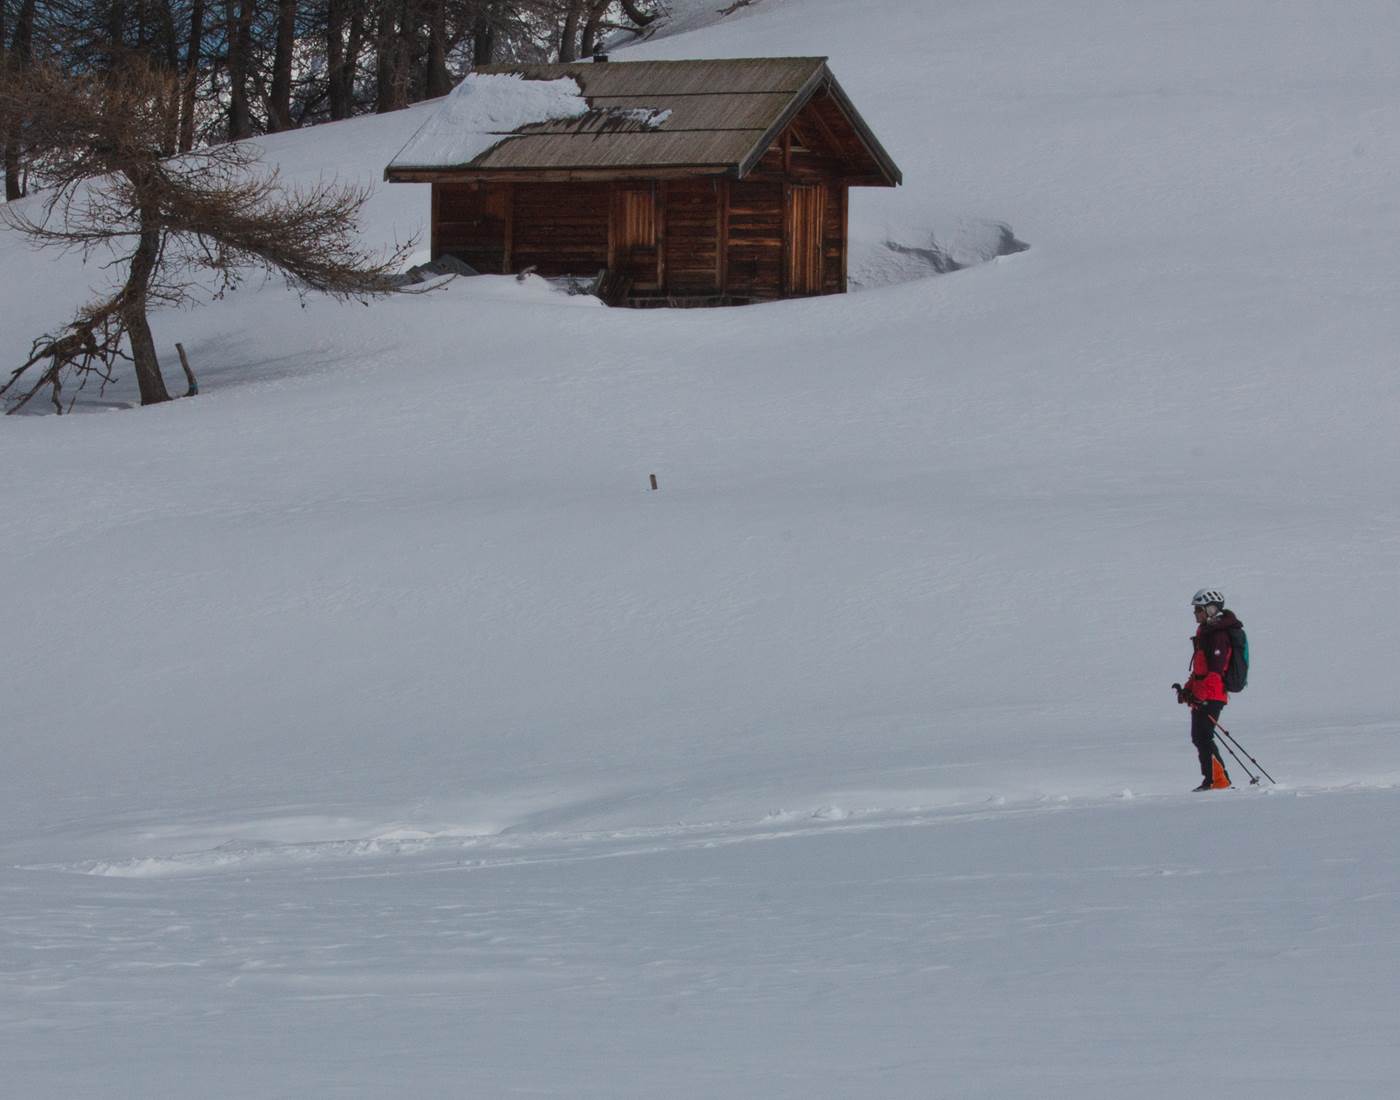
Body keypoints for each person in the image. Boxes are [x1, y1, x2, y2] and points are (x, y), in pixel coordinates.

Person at [1178, 589, 1244, 791]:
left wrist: (1200, 695)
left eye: (1199, 609)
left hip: (1212, 695)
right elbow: (1200, 669)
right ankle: (1214, 780)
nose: (1195, 613)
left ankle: (1218, 781)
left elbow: (1215, 672)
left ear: (1211, 609)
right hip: (1205, 694)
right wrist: (1188, 689)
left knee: (1203, 736)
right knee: (1200, 736)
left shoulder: (1217, 636)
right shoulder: (1206, 633)